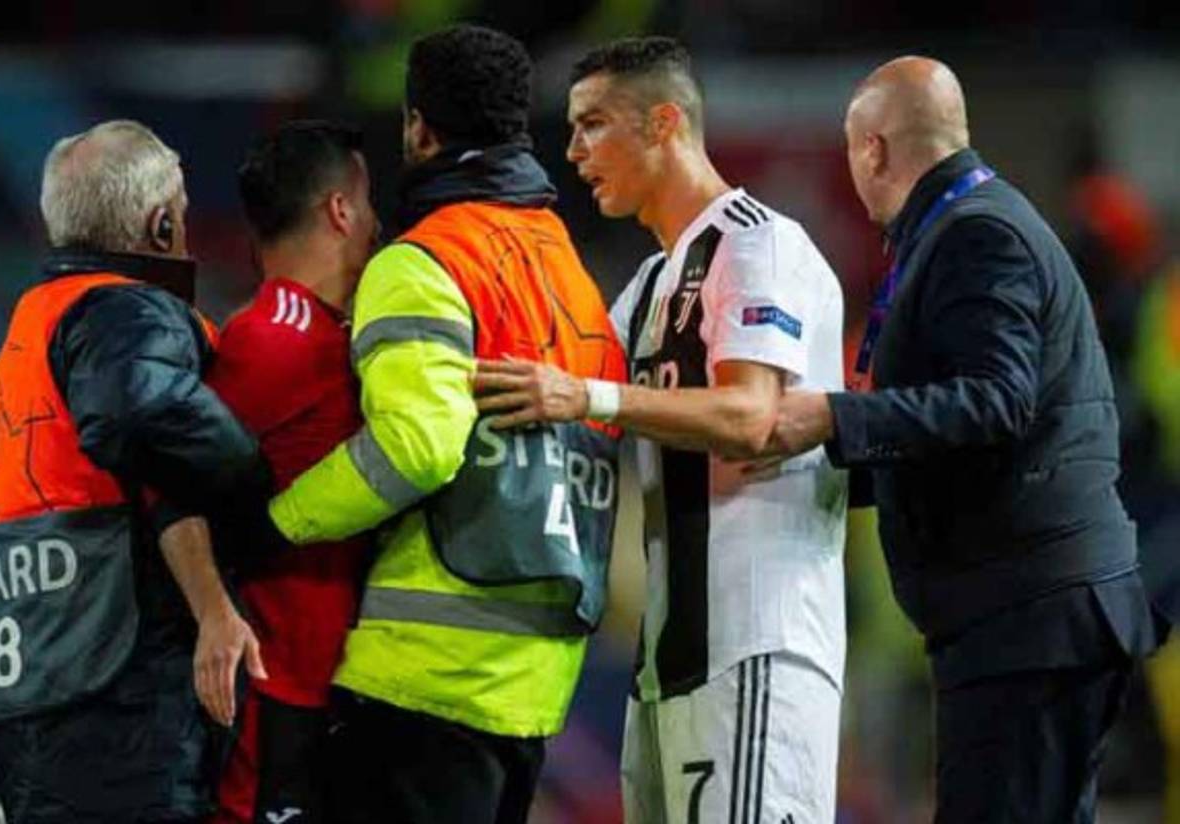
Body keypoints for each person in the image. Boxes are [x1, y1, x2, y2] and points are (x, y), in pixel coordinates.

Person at [245, 25, 626, 824]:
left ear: (418, 128)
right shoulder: (574, 279)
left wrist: (273, 525)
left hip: (421, 679)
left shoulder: (424, 262)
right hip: (535, 693)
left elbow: (416, 449)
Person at [760, 57, 1158, 821]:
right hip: (1026, 615)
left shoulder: (978, 235)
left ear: (873, 149)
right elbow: (969, 437)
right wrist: (819, 464)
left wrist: (834, 418)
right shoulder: (968, 226)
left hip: (1029, 620)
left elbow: (996, 402)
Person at [476, 36, 848, 824]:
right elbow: (570, 400)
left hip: (754, 642)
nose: (573, 151)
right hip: (666, 660)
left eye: (594, 124)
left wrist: (588, 395)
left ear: (664, 123)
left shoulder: (758, 242)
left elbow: (749, 416)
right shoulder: (649, 283)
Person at [0, 120, 269, 823]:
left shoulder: (29, 335)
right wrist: (254, 476)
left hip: (28, 682)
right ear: (162, 226)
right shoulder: (126, 309)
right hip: (116, 683)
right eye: (182, 215)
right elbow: (140, 410)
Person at [206, 120, 378, 824]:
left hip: (324, 691)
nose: (376, 223)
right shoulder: (273, 340)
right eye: (367, 202)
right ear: (340, 210)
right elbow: (177, 493)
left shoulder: (326, 334)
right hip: (274, 696)